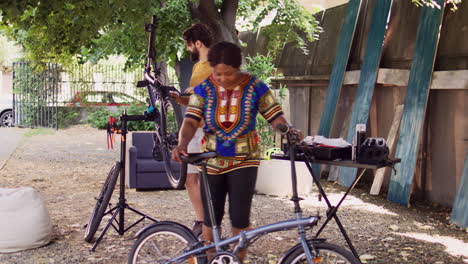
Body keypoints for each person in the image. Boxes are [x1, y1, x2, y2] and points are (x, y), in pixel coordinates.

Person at [171, 41, 301, 261]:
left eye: (228, 73)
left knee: (240, 217)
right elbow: (191, 121)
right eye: (217, 73)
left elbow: (274, 116)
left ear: (238, 68)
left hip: (245, 159)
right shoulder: (203, 90)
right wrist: (182, 143)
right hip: (211, 161)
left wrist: (287, 129)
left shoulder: (256, 87)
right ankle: (211, 260)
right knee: (211, 219)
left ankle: (237, 260)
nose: (222, 78)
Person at [170, 23, 213, 237]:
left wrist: (199, 89)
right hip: (195, 128)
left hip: (209, 131)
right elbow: (197, 101)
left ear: (197, 43)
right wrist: (181, 99)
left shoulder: (217, 64)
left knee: (207, 179)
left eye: (188, 45)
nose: (188, 50)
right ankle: (201, 220)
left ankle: (209, 224)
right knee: (190, 178)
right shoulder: (197, 67)